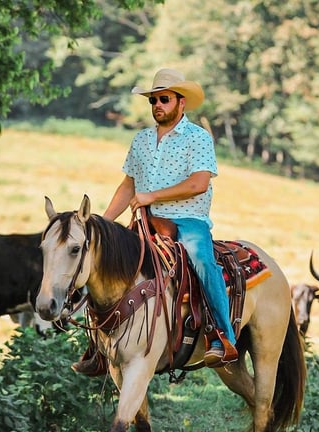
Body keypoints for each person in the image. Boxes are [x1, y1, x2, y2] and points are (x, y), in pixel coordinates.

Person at [72, 68, 238, 373]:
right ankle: (100, 346)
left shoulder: (198, 138)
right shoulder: (142, 140)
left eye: (164, 99)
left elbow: (199, 183)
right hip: (147, 221)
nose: (158, 105)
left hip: (187, 220)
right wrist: (100, 225)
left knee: (202, 260)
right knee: (106, 261)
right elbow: (128, 186)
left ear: (181, 102)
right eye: (153, 100)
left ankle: (222, 336)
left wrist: (153, 196)